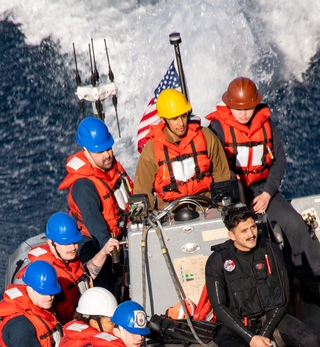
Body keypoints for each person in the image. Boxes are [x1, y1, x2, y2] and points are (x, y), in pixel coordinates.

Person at [207, 77, 320, 306]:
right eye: (238, 109)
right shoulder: (217, 130)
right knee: (250, 235)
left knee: (294, 224)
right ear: (229, 106)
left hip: (262, 189)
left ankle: (309, 283)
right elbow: (214, 166)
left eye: (248, 108)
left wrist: (267, 193)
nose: (243, 114)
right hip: (234, 194)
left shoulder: (267, 125)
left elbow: (279, 161)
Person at [204, 206, 320, 347]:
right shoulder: (217, 262)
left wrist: (264, 335)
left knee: (311, 339)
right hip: (235, 326)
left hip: (271, 319)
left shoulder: (270, 250)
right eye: (244, 231)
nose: (251, 234)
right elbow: (220, 308)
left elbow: (282, 298)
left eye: (253, 227)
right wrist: (251, 339)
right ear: (231, 235)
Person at [58, 117, 130, 293]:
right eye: (100, 152)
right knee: (105, 289)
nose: (107, 155)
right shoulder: (84, 185)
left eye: (108, 148)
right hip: (94, 242)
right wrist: (106, 243)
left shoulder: (113, 169)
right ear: (86, 152)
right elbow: (92, 218)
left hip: (120, 235)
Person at [132, 88, 233, 210]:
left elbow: (221, 176)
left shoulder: (206, 136)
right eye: (174, 118)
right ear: (163, 120)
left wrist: (221, 206)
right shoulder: (151, 149)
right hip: (169, 214)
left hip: (206, 207)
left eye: (184, 116)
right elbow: (141, 191)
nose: (181, 123)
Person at [19, 212, 119, 322]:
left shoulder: (70, 260)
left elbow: (86, 275)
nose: (72, 248)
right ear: (51, 243)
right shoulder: (44, 275)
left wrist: (104, 252)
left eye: (75, 242)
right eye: (66, 244)